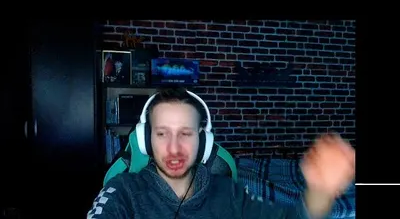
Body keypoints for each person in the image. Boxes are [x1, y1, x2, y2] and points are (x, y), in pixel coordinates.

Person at [88, 88, 355, 218]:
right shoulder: (122, 190)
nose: (174, 147)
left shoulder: (228, 193)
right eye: (162, 133)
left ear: (204, 142)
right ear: (146, 141)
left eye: (186, 133)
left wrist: (321, 190)